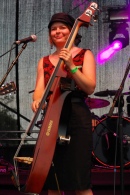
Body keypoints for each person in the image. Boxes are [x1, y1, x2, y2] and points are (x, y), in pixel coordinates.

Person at [31, 12, 96, 195]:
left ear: (72, 31)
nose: (57, 31)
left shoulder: (85, 54)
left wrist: (71, 65)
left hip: (76, 117)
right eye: (53, 29)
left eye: (62, 27)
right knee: (53, 180)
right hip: (52, 118)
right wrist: (37, 101)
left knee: (79, 180)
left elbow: (89, 87)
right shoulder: (43, 61)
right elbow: (39, 91)